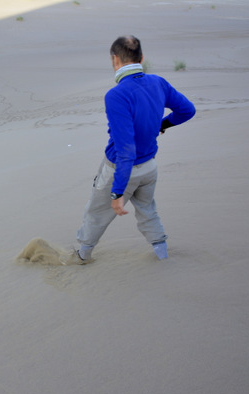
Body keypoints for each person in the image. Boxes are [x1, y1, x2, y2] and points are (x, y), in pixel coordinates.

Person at [71, 35, 196, 264]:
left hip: (120, 170)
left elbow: (125, 148)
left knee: (97, 214)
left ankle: (82, 255)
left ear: (115, 59)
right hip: (149, 168)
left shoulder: (116, 95)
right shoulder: (158, 82)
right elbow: (188, 110)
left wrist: (118, 193)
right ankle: (162, 254)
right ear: (142, 57)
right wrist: (163, 124)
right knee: (148, 210)